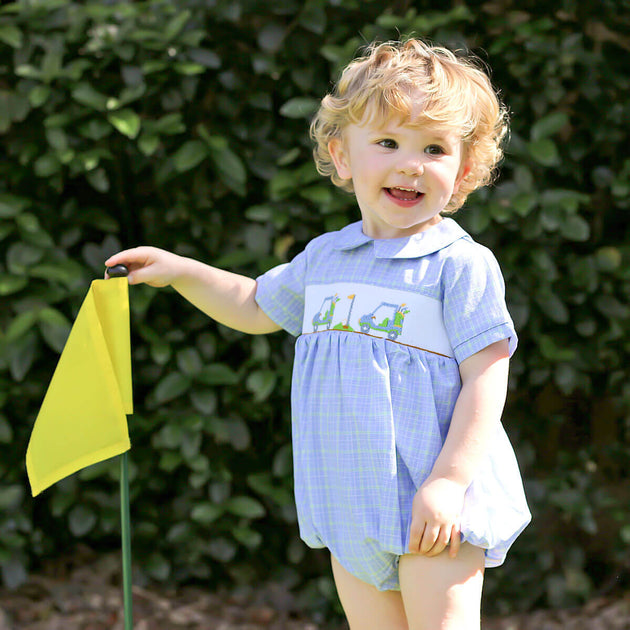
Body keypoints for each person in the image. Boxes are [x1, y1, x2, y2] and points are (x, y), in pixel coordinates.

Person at [106, 38, 530, 630]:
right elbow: (256, 303)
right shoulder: (326, 259)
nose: (411, 163)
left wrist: (449, 482)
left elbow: (487, 376)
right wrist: (181, 272)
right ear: (343, 155)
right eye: (388, 142)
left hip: (433, 506)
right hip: (348, 502)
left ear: (463, 172)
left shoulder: (458, 264)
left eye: (434, 148)